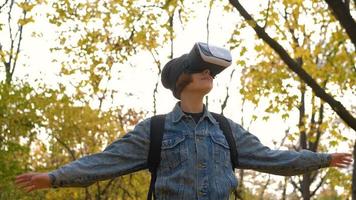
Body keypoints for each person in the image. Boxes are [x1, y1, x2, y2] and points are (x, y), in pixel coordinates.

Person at [16, 43, 353, 199]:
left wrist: (323, 159)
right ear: (181, 80)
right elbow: (106, 162)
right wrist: (55, 177)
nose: (209, 74)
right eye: (200, 69)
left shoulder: (226, 129)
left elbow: (274, 159)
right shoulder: (156, 130)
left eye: (211, 71)